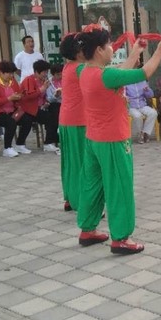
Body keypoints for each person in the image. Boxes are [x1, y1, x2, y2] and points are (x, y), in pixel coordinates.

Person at [76, 29, 161, 252]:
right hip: (113, 140)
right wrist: (160, 50)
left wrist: (135, 52)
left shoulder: (84, 71)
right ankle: (121, 238)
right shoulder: (106, 76)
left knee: (92, 185)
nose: (112, 49)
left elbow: (119, 72)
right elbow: (145, 72)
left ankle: (87, 229)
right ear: (99, 50)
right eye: (109, 45)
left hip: (94, 139)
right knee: (119, 187)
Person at [59, 34, 86, 212]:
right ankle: (82, 202)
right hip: (78, 121)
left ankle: (70, 197)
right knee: (81, 163)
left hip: (67, 120)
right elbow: (103, 76)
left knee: (70, 162)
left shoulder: (68, 67)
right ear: (78, 51)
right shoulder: (79, 68)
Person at [0, 61, 29, 158]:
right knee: (11, 122)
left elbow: (18, 93)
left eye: (12, 73)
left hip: (12, 109)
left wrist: (19, 96)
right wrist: (9, 98)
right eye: (9, 73)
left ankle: (20, 144)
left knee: (27, 119)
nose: (11, 75)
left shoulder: (12, 81)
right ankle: (7, 148)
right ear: (1, 72)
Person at [20, 59, 60, 154]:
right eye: (44, 72)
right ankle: (48, 142)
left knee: (55, 109)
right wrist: (42, 89)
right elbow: (29, 96)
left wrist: (46, 102)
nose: (45, 74)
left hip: (41, 107)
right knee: (49, 118)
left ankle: (54, 139)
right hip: (30, 108)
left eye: (46, 72)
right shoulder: (29, 80)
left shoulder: (43, 81)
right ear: (37, 72)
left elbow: (44, 96)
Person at [125, 76, 157, 144]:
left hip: (142, 105)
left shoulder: (143, 82)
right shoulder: (126, 83)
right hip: (131, 106)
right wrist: (126, 97)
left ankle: (145, 133)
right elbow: (123, 94)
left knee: (153, 113)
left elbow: (151, 95)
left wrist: (147, 90)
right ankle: (140, 133)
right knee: (137, 116)